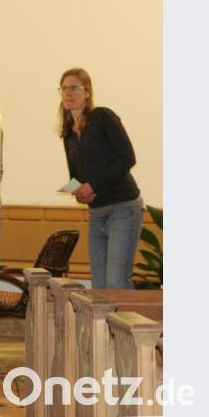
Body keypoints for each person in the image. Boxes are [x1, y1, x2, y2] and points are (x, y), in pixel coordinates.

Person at [58, 68, 143, 289]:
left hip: (123, 208)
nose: (69, 92)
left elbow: (127, 158)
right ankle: (102, 325)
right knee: (99, 284)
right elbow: (75, 176)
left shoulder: (103, 117)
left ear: (87, 92)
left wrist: (93, 185)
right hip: (97, 212)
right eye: (64, 88)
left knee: (116, 280)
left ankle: (125, 324)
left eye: (75, 87)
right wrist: (78, 192)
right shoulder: (68, 133)